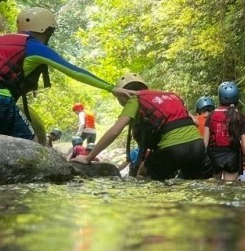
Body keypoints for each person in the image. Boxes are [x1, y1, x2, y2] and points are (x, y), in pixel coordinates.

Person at [0, 7, 134, 141]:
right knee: (34, 145)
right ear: (46, 31)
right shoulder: (34, 46)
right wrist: (110, 88)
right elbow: (74, 71)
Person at [72, 73, 212, 180]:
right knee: (199, 183)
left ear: (122, 94)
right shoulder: (171, 96)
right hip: (197, 146)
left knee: (143, 173)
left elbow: (115, 131)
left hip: (172, 149)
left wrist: (88, 158)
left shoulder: (134, 99)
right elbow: (194, 122)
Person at [204, 81, 245, 181]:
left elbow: (205, 144)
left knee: (216, 190)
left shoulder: (211, 116)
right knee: (230, 190)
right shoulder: (240, 117)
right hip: (232, 156)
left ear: (220, 97)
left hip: (214, 156)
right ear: (236, 97)